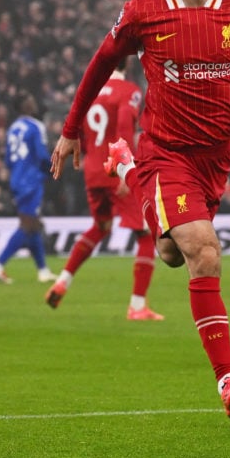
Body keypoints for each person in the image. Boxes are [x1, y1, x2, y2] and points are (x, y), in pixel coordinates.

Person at [50, 0, 230, 420]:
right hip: (165, 151)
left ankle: (125, 170)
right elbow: (100, 64)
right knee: (205, 252)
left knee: (171, 254)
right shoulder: (143, 8)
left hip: (215, 158)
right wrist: (71, 129)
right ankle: (227, 380)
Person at [44, 60, 164, 320]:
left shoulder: (90, 90)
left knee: (100, 226)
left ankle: (63, 280)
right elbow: (123, 126)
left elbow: (78, 131)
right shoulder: (129, 91)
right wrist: (125, 169)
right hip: (116, 169)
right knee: (145, 234)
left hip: (92, 170)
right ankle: (137, 305)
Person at [0, 94, 55, 284]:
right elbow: (41, 155)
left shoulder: (13, 128)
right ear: (24, 106)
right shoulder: (35, 126)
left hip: (16, 178)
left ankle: (43, 270)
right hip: (31, 180)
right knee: (27, 225)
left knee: (32, 225)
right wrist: (53, 168)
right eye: (30, 102)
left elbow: (8, 159)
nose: (33, 103)